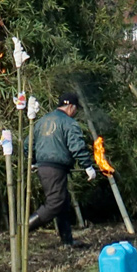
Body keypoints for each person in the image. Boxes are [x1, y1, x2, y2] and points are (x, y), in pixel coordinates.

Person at [28, 92, 97, 248]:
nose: (75, 112)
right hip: (55, 168)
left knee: (63, 202)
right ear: (71, 107)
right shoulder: (69, 123)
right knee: (55, 202)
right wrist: (87, 166)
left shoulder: (42, 121)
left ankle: (67, 240)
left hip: (44, 167)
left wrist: (33, 161)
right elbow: (77, 146)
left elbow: (28, 144)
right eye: (76, 109)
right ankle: (24, 229)